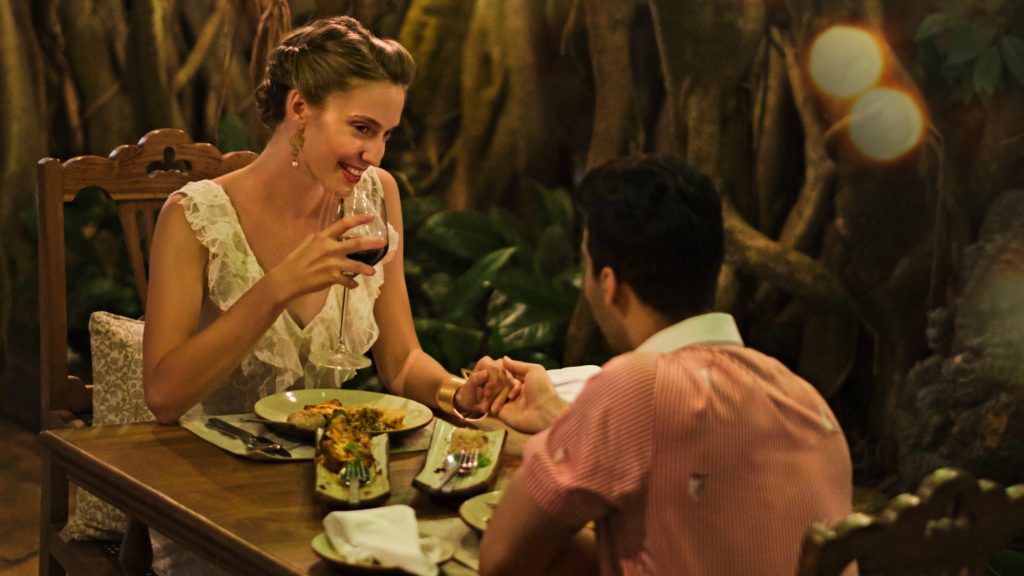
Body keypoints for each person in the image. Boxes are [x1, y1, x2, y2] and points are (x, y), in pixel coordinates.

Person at [142, 16, 500, 574]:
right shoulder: (195, 217)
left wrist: (460, 395)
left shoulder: (378, 197)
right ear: (300, 108)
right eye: (361, 128)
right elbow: (164, 396)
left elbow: (402, 363)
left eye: (386, 134)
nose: (375, 155)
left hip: (345, 483)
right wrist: (277, 288)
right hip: (217, 499)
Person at [478, 155, 855, 575]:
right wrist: (559, 419)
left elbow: (501, 557)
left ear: (609, 285)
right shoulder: (806, 400)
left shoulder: (636, 385)